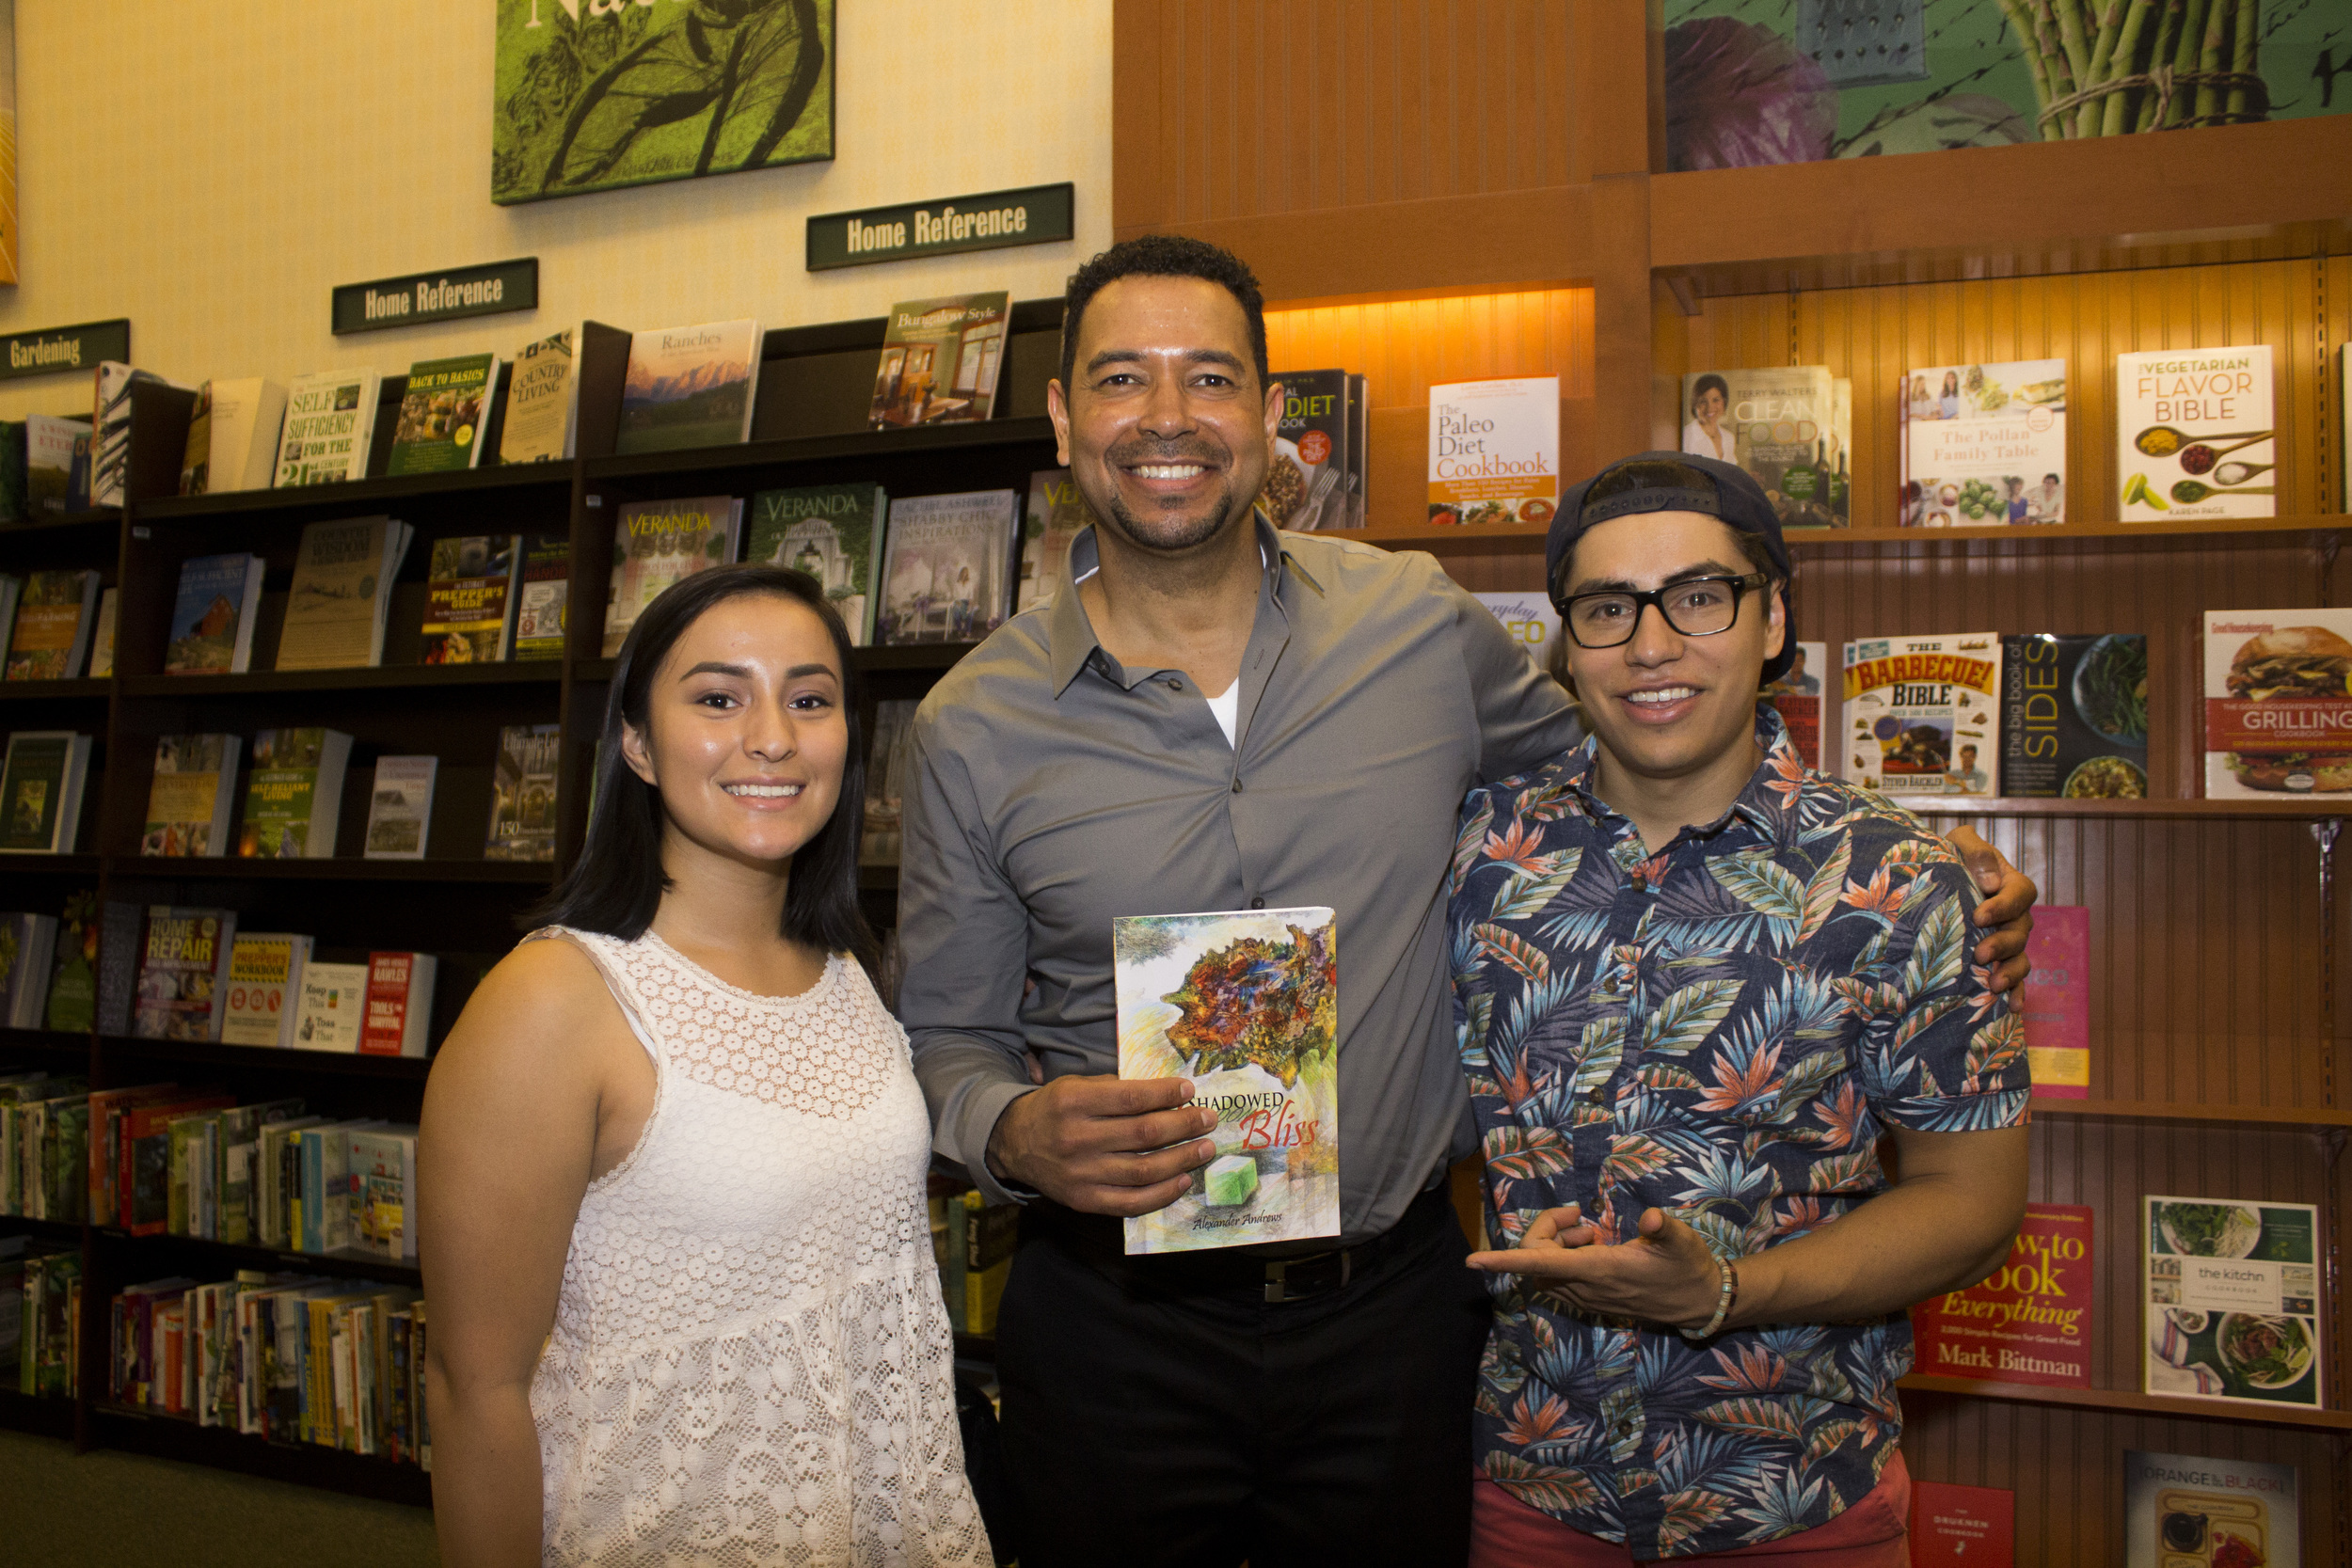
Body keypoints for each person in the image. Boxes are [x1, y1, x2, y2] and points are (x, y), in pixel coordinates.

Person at [898, 236, 2039, 1568]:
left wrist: (1896, 853)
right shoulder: (972, 722)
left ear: (1274, 416)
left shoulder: (1415, 623)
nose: (1166, 417)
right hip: (1114, 1329)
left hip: (1392, 1321)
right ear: (1062, 417)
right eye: (1120, 378)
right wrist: (1017, 1129)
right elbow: (942, 1036)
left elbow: (1646, 724)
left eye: (1209, 376)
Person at [1452, 454, 2029, 1564]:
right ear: (1565, 641)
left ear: (1773, 622)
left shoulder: (1901, 879)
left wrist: (1725, 1288)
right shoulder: (1478, 851)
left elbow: (1973, 1199)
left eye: (1700, 596)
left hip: (1797, 1501)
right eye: (1607, 607)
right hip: (1531, 1495)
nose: (1652, 644)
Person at [420, 565, 991, 1568]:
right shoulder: (556, 999)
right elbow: (477, 1389)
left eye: (808, 699)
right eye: (718, 697)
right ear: (637, 741)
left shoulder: (847, 972)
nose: (772, 735)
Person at [1681, 373, 1732, 462]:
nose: (1710, 408)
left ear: (1724, 401)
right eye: (1703, 402)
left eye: (1716, 400)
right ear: (1695, 403)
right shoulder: (1686, 436)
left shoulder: (1729, 438)